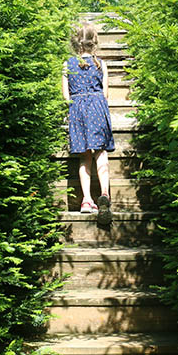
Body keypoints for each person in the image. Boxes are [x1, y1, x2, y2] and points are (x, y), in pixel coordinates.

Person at [62, 23, 114, 224]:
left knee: (85, 157)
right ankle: (104, 193)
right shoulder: (101, 64)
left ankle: (86, 200)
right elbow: (106, 94)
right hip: (98, 108)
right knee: (101, 153)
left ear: (75, 43)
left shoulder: (68, 64)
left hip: (78, 111)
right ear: (94, 43)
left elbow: (66, 96)